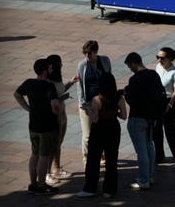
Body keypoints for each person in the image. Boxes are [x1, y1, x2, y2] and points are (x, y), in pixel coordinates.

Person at [13, 58, 61, 195]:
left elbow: (17, 94)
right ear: (45, 71)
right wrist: (56, 112)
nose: (51, 70)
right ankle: (42, 185)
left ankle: (33, 184)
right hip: (47, 126)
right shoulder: (48, 86)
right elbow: (55, 105)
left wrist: (28, 108)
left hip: (33, 124)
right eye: (49, 68)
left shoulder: (29, 83)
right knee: (44, 156)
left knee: (34, 154)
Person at [77, 73, 127, 199]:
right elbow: (124, 116)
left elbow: (94, 119)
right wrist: (114, 113)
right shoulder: (119, 98)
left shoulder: (97, 99)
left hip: (99, 129)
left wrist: (88, 109)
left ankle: (90, 188)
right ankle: (109, 190)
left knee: (93, 159)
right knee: (112, 159)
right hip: (113, 128)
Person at [123, 52, 166, 190]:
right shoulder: (154, 75)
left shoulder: (134, 80)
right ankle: (150, 176)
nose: (130, 69)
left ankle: (143, 179)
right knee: (149, 147)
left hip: (137, 118)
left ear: (134, 63)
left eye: (130, 66)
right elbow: (161, 95)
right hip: (151, 118)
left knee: (141, 150)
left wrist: (126, 93)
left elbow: (132, 101)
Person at [76, 39, 112, 165]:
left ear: (96, 52)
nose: (86, 56)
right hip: (87, 103)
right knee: (87, 135)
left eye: (89, 53)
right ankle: (87, 160)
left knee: (100, 131)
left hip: (102, 102)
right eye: (84, 53)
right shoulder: (82, 65)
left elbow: (109, 79)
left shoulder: (105, 61)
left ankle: (100, 155)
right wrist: (83, 104)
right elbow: (80, 86)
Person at [45, 54, 79, 184]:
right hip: (55, 115)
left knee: (59, 142)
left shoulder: (57, 79)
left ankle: (56, 167)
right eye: (60, 63)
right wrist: (61, 99)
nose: (62, 65)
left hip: (62, 113)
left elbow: (60, 90)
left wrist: (71, 82)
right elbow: (51, 99)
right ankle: (51, 171)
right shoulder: (48, 82)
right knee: (53, 144)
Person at [153, 47, 175, 169]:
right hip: (157, 101)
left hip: (168, 102)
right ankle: (159, 156)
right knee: (156, 130)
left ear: (170, 58)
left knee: (170, 131)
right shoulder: (158, 67)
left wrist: (170, 104)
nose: (159, 60)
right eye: (157, 57)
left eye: (162, 58)